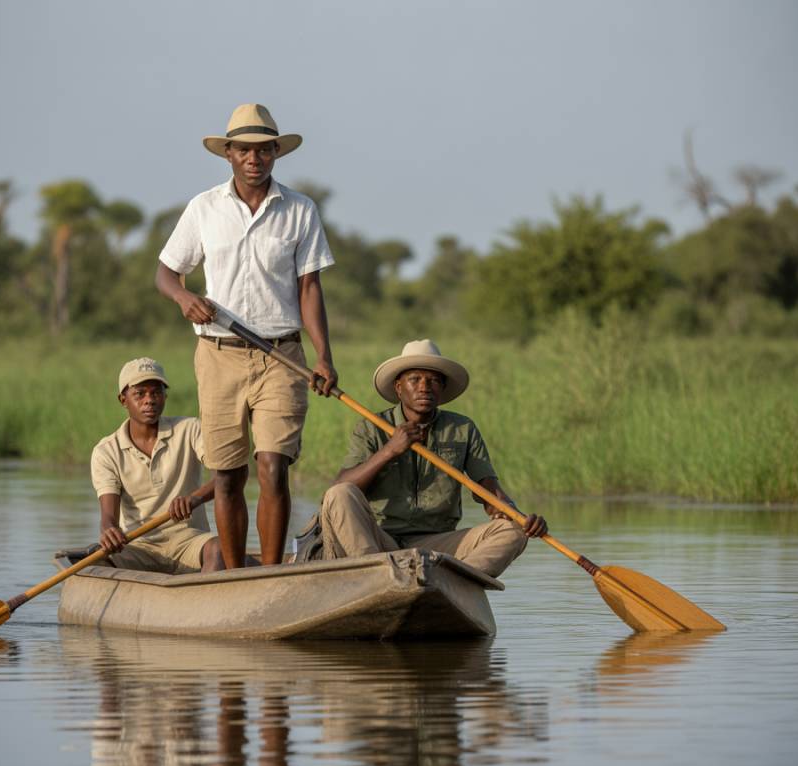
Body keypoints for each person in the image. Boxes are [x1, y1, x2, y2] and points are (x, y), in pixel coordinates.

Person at [155, 103, 337, 569]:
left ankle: (271, 573)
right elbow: (166, 273)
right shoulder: (204, 208)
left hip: (283, 356)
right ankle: (234, 580)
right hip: (218, 353)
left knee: (273, 468)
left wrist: (324, 358)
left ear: (276, 153)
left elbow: (309, 288)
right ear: (229, 154)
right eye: (243, 150)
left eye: (263, 150)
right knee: (228, 475)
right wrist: (184, 299)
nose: (253, 158)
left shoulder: (300, 210)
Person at [313, 340, 548, 578]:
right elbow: (339, 488)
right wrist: (390, 451)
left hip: (438, 545)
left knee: (512, 531)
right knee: (339, 495)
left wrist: (518, 516)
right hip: (381, 542)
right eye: (415, 379)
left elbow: (488, 489)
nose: (424, 387)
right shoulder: (371, 427)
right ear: (398, 387)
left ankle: (453, 581)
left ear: (442, 388)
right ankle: (376, 577)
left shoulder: (462, 428)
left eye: (433, 380)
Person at [92, 357, 224, 573]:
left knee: (219, 548)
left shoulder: (190, 429)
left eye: (156, 393)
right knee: (96, 560)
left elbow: (225, 478)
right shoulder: (106, 451)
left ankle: (202, 601)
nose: (149, 400)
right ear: (123, 400)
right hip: (138, 546)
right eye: (140, 394)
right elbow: (108, 517)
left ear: (165, 397)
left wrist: (194, 499)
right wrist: (108, 531)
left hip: (189, 541)